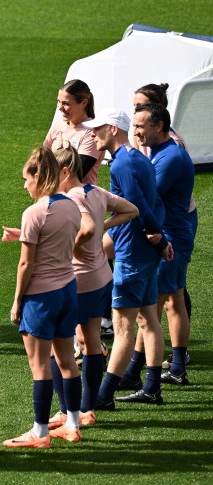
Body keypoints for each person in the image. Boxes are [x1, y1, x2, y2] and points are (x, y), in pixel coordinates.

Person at [48, 143, 137, 431]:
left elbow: (84, 229)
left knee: (56, 347)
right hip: (100, 277)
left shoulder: (70, 198)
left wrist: (69, 248)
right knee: (91, 342)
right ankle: (86, 409)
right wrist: (104, 225)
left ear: (64, 171)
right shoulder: (95, 191)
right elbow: (130, 210)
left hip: (79, 280)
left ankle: (66, 412)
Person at [85, 109, 170, 409]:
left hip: (132, 255)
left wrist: (159, 240)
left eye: (97, 129)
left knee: (123, 327)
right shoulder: (139, 159)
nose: (92, 135)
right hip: (143, 255)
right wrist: (161, 241)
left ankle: (103, 396)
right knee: (149, 320)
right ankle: (152, 388)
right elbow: (155, 203)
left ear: (112, 128)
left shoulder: (122, 163)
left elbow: (137, 207)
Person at [1, 147, 81, 448]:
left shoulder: (34, 212)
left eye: (26, 178)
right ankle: (73, 424)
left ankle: (41, 432)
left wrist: (17, 301)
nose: (24, 185)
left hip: (41, 297)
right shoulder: (72, 206)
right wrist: (22, 234)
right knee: (67, 361)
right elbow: (56, 240)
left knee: (40, 366)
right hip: (68, 290)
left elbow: (26, 264)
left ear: (39, 175)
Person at [130, 103, 194, 386]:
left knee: (149, 311)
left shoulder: (169, 158)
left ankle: (135, 373)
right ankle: (177, 367)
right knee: (173, 302)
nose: (136, 132)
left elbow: (146, 197)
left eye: (141, 126)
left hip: (166, 240)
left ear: (159, 126)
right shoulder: (163, 153)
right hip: (175, 237)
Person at [43, 80, 103, 184]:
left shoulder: (92, 132)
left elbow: (75, 176)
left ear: (84, 103)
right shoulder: (59, 124)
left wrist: (57, 151)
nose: (59, 107)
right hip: (54, 190)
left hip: (79, 196)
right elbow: (42, 160)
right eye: (58, 101)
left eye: (66, 103)